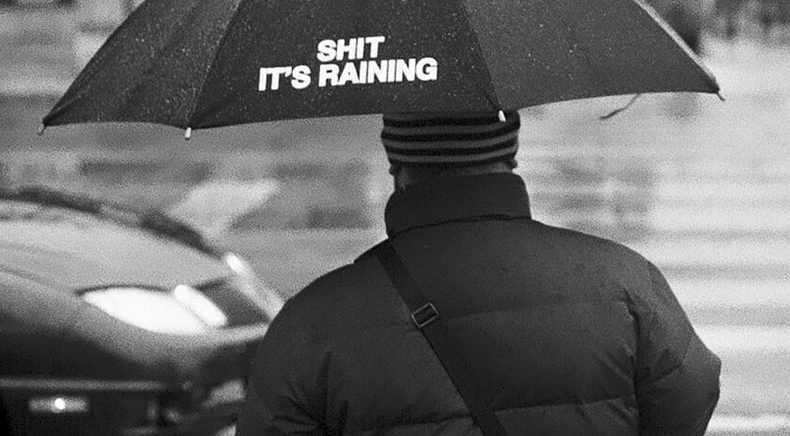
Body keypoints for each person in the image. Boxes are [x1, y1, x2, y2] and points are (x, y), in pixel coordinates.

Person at [236, 111, 721, 435]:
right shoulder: (627, 287)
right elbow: (690, 393)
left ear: (396, 163)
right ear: (510, 153)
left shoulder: (312, 325)